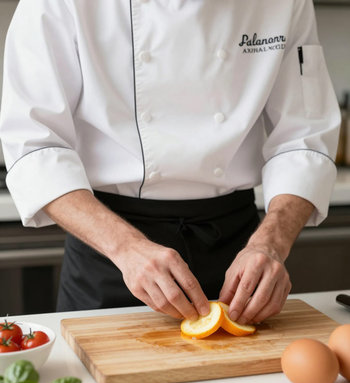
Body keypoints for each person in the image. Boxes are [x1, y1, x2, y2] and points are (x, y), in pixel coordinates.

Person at [0, 0, 340, 324]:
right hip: (110, 252)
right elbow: (34, 145)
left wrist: (271, 245)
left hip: (239, 255)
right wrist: (126, 247)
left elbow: (304, 137)